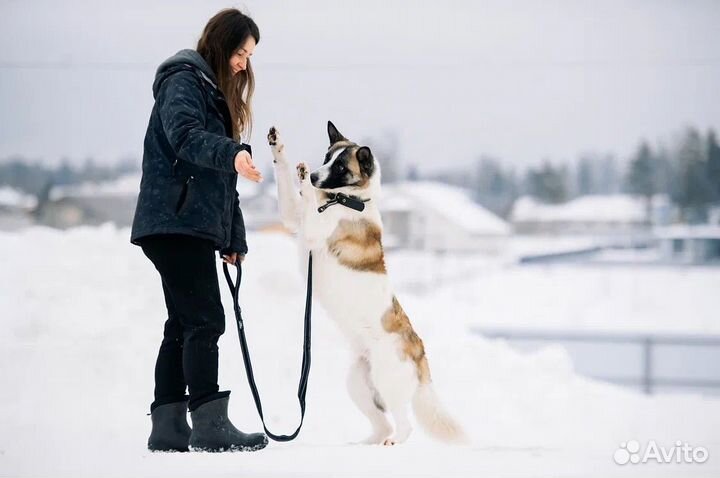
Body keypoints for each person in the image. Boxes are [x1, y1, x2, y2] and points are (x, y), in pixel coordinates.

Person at [130, 8, 267, 452]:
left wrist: (234, 238)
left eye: (249, 55)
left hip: (185, 222)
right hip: (174, 219)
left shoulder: (210, 93)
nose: (244, 63)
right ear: (222, 43)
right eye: (241, 52)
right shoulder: (184, 81)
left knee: (184, 321)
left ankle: (168, 424)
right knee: (205, 317)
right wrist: (232, 153)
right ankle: (209, 421)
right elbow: (184, 136)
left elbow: (222, 182)